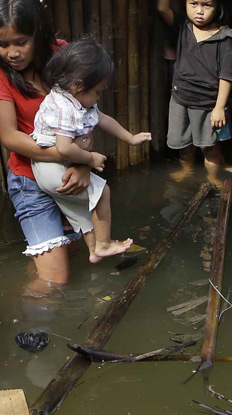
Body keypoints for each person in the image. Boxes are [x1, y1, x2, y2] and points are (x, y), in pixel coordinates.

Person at [0, 0, 90, 292]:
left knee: (67, 254)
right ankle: (29, 327)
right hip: (30, 181)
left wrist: (82, 166)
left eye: (20, 42)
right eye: (2, 44)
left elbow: (87, 113)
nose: (12, 52)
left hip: (70, 175)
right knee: (57, 281)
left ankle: (29, 282)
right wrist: (69, 154)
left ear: (38, 34)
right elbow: (11, 138)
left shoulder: (62, 55)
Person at [31, 39, 151, 263]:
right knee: (102, 192)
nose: (98, 98)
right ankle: (104, 245)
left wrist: (131, 138)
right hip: (51, 167)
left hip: (55, 166)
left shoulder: (76, 99)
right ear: (77, 85)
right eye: (97, 92)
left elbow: (102, 119)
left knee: (87, 208)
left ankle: (94, 251)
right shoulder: (64, 108)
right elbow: (64, 148)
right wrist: (90, 159)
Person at [157, 0, 232, 185]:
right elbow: (162, 8)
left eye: (207, 5)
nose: (199, 10)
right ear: (185, 3)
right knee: (184, 145)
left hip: (207, 103)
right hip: (180, 98)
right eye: (194, 4)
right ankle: (187, 171)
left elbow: (226, 77)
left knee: (210, 146)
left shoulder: (224, 38)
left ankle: (212, 178)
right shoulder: (183, 27)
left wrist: (219, 107)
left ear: (217, 7)